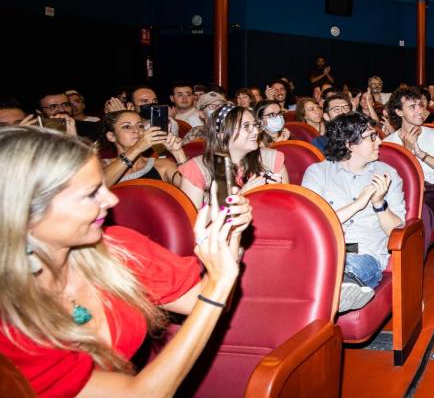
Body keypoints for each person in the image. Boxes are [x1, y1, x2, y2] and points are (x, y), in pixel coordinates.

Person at [0, 127, 251, 397]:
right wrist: (217, 286)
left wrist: (228, 236)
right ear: (24, 212)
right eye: (90, 194)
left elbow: (199, 301)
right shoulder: (9, 318)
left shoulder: (118, 249)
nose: (112, 198)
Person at [301, 113, 406, 313]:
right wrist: (359, 203)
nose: (380, 141)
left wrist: (378, 203)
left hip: (365, 255)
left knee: (350, 265)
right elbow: (316, 223)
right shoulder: (317, 173)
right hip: (326, 250)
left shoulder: (387, 174)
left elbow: (397, 231)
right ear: (350, 144)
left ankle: (338, 290)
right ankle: (337, 290)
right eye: (371, 136)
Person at [385, 87, 434, 255]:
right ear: (399, 112)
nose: (419, 111)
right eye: (412, 107)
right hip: (399, 190)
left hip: (429, 190)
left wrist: (419, 154)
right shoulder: (389, 142)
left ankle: (411, 264)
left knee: (419, 212)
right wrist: (407, 151)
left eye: (420, 105)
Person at [178, 104, 289, 210]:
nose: (255, 132)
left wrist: (277, 193)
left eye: (255, 125)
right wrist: (240, 196)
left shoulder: (272, 159)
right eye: (246, 126)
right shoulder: (197, 169)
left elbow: (289, 209)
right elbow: (192, 221)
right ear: (221, 134)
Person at [101, 110, 185, 186]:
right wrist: (137, 148)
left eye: (140, 126)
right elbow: (98, 187)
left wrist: (178, 153)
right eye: (127, 127)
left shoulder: (161, 164)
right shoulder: (102, 165)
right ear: (111, 136)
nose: (136, 130)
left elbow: (190, 188)